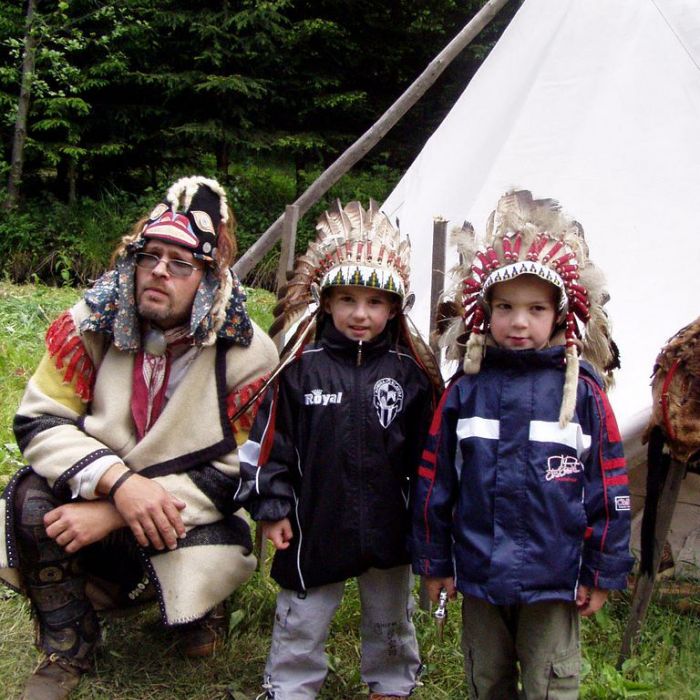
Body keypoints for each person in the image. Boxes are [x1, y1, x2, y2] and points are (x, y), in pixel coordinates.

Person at [0, 176, 279, 700]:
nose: (159, 271)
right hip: (102, 487)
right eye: (150, 256)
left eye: (181, 263)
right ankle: (68, 643)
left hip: (189, 512)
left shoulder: (246, 353)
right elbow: (39, 421)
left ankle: (200, 606)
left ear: (209, 276)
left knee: (203, 559)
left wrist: (116, 511)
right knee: (29, 499)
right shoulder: (90, 323)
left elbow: (237, 472)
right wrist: (118, 484)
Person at [412, 190, 634, 699]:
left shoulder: (583, 395)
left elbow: (610, 489)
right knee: (486, 678)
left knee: (549, 682)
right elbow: (434, 484)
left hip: (553, 579)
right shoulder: (465, 392)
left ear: (560, 314)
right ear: (484, 311)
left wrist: (600, 571)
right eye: (506, 307)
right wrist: (435, 563)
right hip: (479, 574)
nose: (518, 322)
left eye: (536, 309)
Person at [236, 200, 442, 700]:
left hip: (389, 527)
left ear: (394, 307)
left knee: (391, 617)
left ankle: (391, 683)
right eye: (347, 299)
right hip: (313, 524)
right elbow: (268, 446)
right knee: (302, 616)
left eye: (375, 302)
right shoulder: (299, 369)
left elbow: (429, 459)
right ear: (325, 301)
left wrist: (428, 523)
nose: (360, 313)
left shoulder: (411, 374)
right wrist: (273, 507)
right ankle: (289, 686)